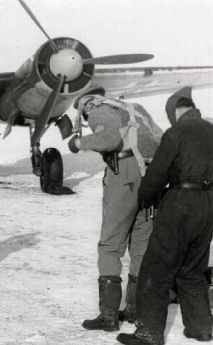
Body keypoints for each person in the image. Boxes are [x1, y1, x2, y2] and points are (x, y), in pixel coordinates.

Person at [117, 87, 213, 345]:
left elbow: (157, 173)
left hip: (180, 204)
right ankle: (201, 328)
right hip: (210, 203)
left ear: (176, 111)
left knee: (156, 270)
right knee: (192, 269)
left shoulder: (176, 133)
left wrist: (146, 196)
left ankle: (149, 334)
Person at [67, 88, 163, 332]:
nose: (87, 119)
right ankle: (134, 309)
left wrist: (79, 143)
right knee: (141, 244)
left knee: (110, 244)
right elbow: (160, 138)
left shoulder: (99, 109)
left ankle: (108, 316)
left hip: (125, 173)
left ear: (85, 106)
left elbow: (108, 139)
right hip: (150, 175)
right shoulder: (135, 110)